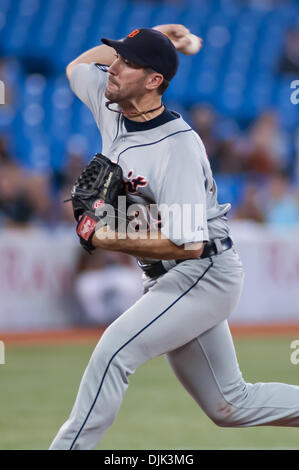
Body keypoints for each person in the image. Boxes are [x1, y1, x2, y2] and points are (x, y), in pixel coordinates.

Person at [50, 24, 299, 450]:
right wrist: (158, 35)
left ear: (153, 81)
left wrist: (107, 237)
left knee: (113, 354)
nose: (112, 68)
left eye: (126, 62)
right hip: (168, 276)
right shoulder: (112, 107)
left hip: (202, 273)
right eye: (116, 57)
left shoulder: (178, 147)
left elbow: (189, 244)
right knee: (230, 404)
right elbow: (78, 67)